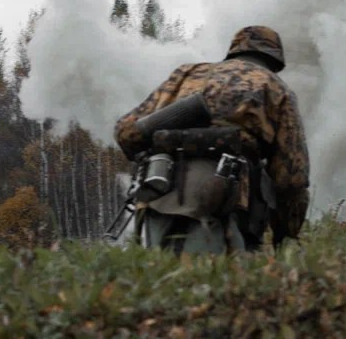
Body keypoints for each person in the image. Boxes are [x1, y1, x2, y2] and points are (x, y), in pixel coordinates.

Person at [114, 25, 310, 254]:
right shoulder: (274, 86)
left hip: (159, 191)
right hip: (227, 200)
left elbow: (126, 133)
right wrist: (286, 235)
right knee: (220, 281)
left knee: (162, 277)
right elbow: (292, 177)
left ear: (234, 51)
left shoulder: (185, 74)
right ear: (275, 60)